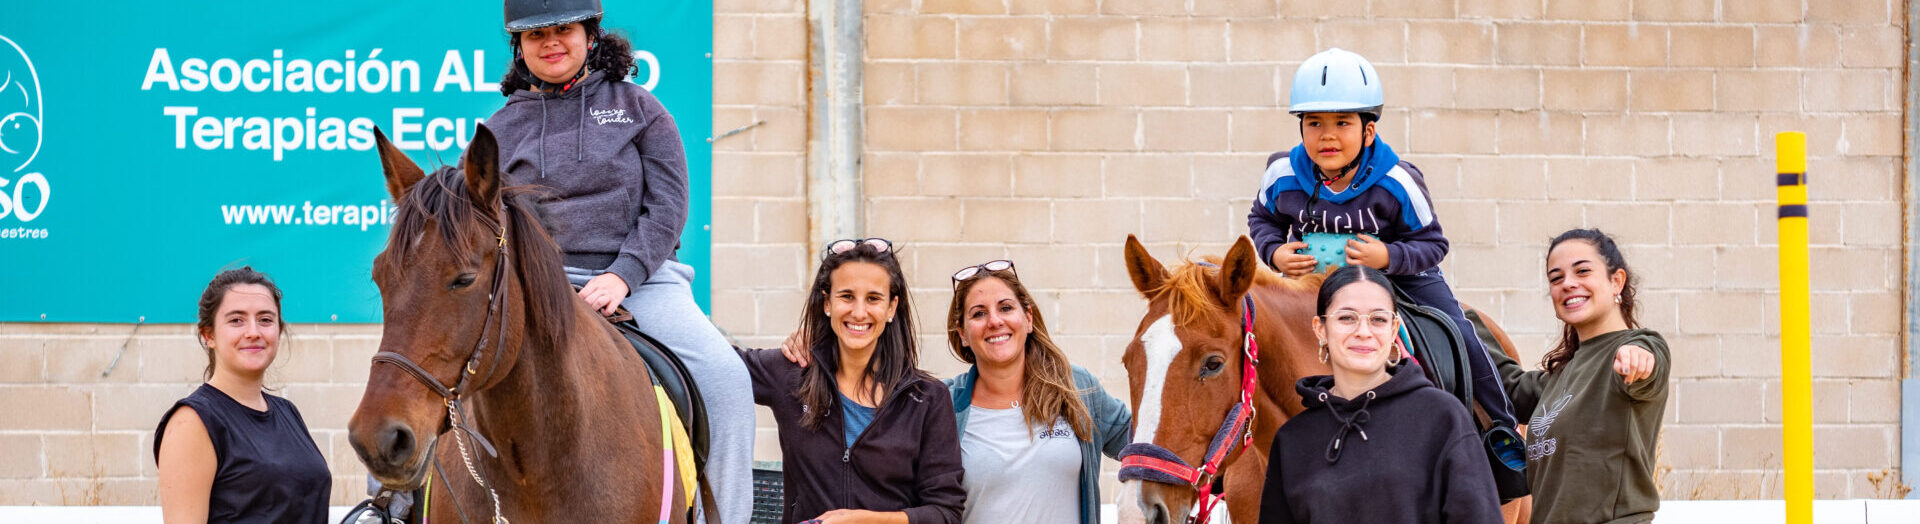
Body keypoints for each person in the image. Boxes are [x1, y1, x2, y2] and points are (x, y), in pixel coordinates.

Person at [487, 1, 754, 521]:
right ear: (518, 47)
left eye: (563, 29)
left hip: (644, 281)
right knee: (437, 361)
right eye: (535, 34)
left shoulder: (640, 108)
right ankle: (394, 504)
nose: (551, 42)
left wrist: (622, 276)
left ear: (590, 34)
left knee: (726, 379)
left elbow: (669, 205)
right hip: (538, 284)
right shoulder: (498, 130)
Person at [1245, 47, 1524, 462]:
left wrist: (1387, 257)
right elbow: (1261, 219)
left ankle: (1500, 427)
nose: (1327, 135)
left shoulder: (1398, 180)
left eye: (1343, 123)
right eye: (1314, 123)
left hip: (1402, 278)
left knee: (1461, 331)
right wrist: (1275, 253)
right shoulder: (1281, 173)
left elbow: (1433, 244)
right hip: (1311, 284)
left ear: (1368, 131)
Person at [782, 259, 1132, 524]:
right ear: (962, 333)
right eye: (978, 314)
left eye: (1006, 308)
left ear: (1028, 318)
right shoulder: (940, 404)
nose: (995, 321)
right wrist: (824, 344)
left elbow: (1147, 441)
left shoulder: (1075, 388)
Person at [740, 238, 965, 524]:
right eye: (846, 296)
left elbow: (945, 513)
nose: (859, 312)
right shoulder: (790, 373)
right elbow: (711, 364)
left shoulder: (927, 398)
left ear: (891, 308)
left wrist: (866, 520)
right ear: (827, 303)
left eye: (873, 298)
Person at [1257, 265, 1501, 524]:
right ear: (1320, 329)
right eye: (1347, 318)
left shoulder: (1442, 417)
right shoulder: (1292, 440)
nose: (1364, 331)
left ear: (1394, 330)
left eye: (1378, 319)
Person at [1485, 229, 1667, 523]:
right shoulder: (1560, 377)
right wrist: (1455, 314)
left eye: (1582, 271)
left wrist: (1639, 358)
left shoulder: (1637, 349)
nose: (1568, 284)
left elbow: (1648, 361)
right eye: (1556, 278)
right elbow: (1507, 384)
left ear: (1616, 281)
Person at [155, 267, 330, 523]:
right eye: (236, 320)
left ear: (278, 332)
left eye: (265, 320)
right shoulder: (192, 422)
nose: (253, 332)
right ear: (209, 335)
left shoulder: (287, 412)